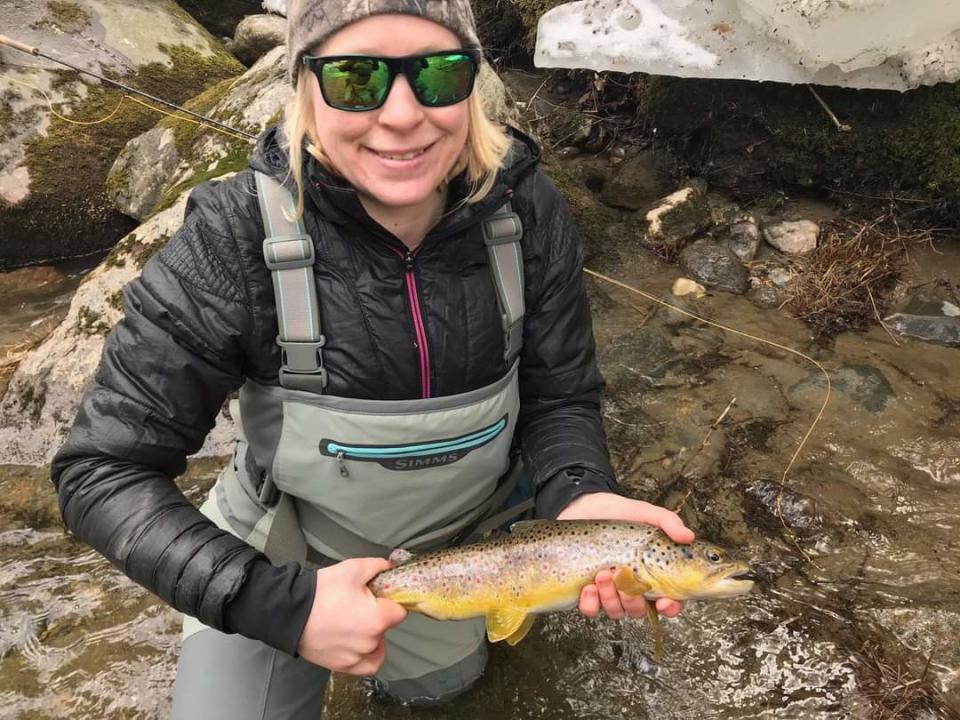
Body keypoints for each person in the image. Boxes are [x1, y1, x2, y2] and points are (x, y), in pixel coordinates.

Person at [51, 0, 694, 717]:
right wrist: (274, 603)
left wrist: (579, 491)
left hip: (458, 554)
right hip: (280, 558)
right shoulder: (232, 239)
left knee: (447, 697)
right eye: (356, 79)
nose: (401, 115)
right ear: (304, 85)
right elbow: (102, 471)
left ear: (473, 83)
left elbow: (560, 397)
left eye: (438, 73)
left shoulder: (527, 211)